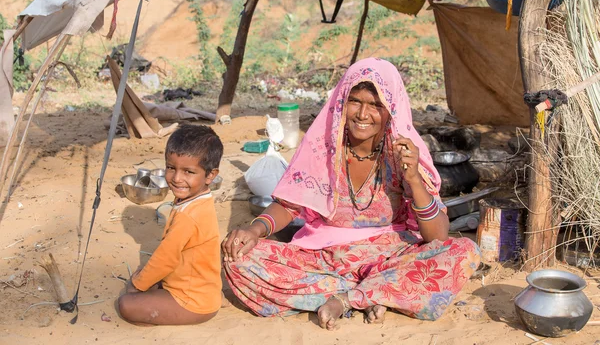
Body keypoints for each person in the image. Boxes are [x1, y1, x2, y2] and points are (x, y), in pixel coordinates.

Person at [222, 58, 481, 330]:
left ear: (391, 109)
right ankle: (378, 293)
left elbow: (438, 236)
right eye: (355, 101)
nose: (362, 114)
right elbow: (288, 206)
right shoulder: (323, 147)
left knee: (465, 251)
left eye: (376, 105)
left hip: (391, 256)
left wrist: (414, 178)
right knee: (237, 258)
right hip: (324, 259)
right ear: (342, 102)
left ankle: (347, 299)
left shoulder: (403, 152)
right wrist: (254, 230)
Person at [118, 124, 224, 325]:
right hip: (201, 291)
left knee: (127, 303)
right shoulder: (198, 201)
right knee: (146, 283)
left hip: (192, 302)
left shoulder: (188, 216)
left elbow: (166, 258)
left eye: (188, 172)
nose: (176, 178)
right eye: (171, 168)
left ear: (210, 175)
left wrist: (137, 285)